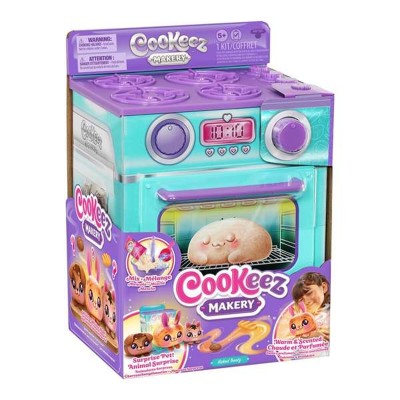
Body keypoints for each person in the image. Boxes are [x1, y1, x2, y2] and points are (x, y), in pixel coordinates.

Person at [291, 272, 330, 341]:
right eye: (301, 300)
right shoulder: (304, 318)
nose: (306, 301)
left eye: (309, 293)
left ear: (323, 287)